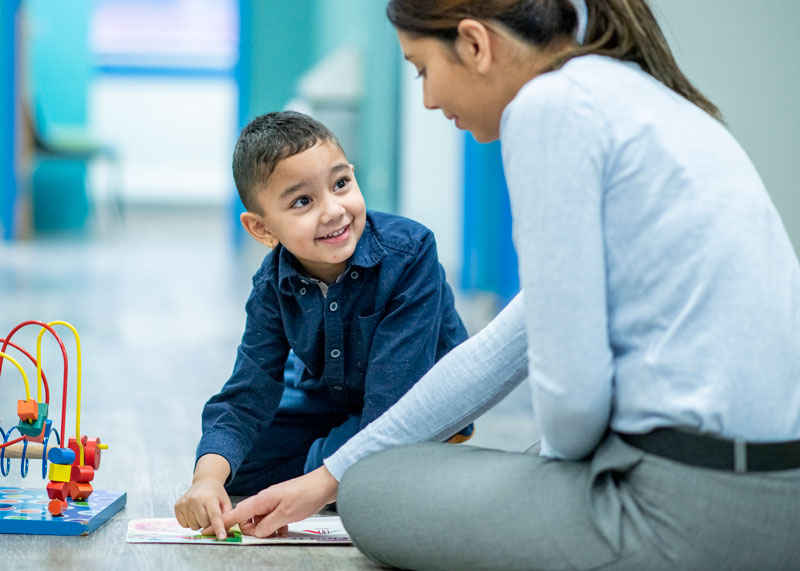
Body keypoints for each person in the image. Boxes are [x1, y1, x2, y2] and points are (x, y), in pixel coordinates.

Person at [218, 1, 800, 568]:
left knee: (375, 488)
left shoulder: (549, 109)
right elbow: (497, 352)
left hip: (685, 514)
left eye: (423, 69)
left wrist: (346, 478)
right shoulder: (640, 94)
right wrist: (324, 479)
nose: (427, 98)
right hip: (783, 500)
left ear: (474, 44)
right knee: (379, 467)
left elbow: (572, 416)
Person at [174, 110, 470, 540]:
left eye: (340, 184)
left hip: (408, 402)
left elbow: (395, 400)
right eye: (302, 201)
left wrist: (318, 475)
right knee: (239, 469)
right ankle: (337, 463)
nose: (334, 211)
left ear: (352, 174)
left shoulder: (411, 252)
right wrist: (206, 480)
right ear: (261, 228)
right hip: (330, 398)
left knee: (357, 466)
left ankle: (398, 458)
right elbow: (246, 393)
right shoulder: (272, 283)